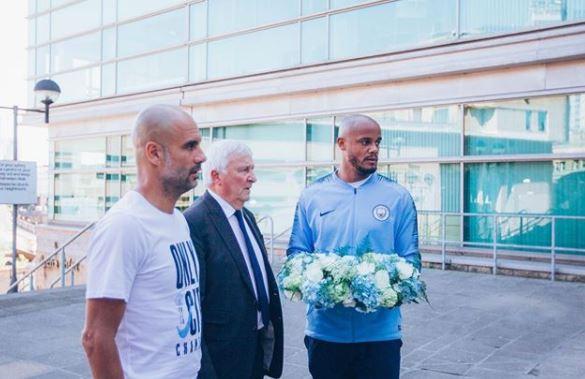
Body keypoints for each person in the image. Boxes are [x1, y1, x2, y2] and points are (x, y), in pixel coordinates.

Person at [287, 114, 421, 379]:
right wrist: (322, 282)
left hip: (380, 335)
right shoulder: (312, 196)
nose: (374, 149)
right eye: (365, 142)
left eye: (377, 142)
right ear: (342, 144)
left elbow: (411, 261)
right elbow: (296, 254)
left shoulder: (398, 197)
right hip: (325, 332)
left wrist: (381, 285)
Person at [81, 104, 206, 379]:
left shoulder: (178, 220)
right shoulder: (125, 225)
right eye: (189, 146)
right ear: (154, 153)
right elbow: (95, 337)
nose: (201, 156)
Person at [184, 140, 283, 379]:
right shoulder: (194, 222)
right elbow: (192, 306)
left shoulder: (246, 216)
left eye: (252, 169)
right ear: (217, 176)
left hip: (255, 349)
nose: (253, 178)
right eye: (244, 170)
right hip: (222, 360)